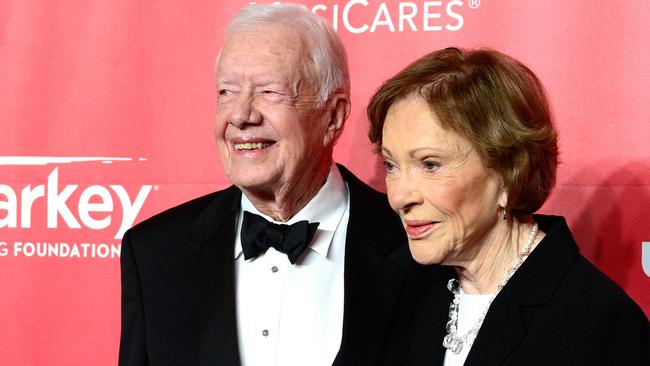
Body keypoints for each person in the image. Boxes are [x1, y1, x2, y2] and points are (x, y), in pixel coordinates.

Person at [118, 4, 447, 366]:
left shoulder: (420, 245)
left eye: (270, 92)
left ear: (333, 117)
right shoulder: (155, 253)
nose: (241, 115)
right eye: (227, 92)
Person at [367, 47, 649, 365]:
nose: (399, 197)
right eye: (391, 165)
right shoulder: (410, 296)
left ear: (508, 173)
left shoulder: (598, 322)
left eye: (430, 165)